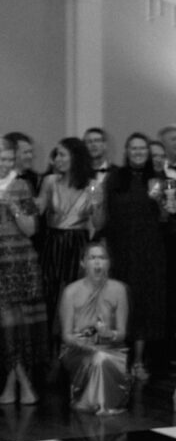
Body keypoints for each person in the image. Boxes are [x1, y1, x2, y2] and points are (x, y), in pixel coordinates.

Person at [100, 133, 166, 379]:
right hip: (121, 251)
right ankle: (118, 360)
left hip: (149, 253)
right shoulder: (115, 178)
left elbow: (166, 219)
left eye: (142, 148)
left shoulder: (157, 179)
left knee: (145, 307)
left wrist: (159, 201)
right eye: (133, 148)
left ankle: (139, 361)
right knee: (120, 303)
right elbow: (105, 216)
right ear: (126, 151)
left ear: (148, 153)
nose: (138, 152)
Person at [36, 137, 99, 344]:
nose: (57, 159)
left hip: (78, 246)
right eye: (56, 154)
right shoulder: (49, 182)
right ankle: (52, 355)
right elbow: (37, 211)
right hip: (53, 245)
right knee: (51, 297)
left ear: (76, 157)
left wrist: (97, 204)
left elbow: (98, 223)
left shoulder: (92, 186)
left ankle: (75, 351)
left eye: (62, 154)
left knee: (77, 298)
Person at [0, 137, 48, 405]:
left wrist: (15, 209)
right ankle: (18, 381)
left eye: (9, 159)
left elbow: (32, 229)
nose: (5, 164)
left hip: (20, 263)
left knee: (19, 327)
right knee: (6, 326)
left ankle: (16, 382)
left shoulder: (21, 186)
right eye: (1, 159)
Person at [59, 240, 130, 415]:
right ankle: (93, 403)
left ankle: (104, 403)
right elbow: (66, 335)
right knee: (97, 357)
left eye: (102, 258)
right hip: (77, 349)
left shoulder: (119, 289)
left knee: (102, 357)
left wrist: (108, 334)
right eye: (92, 258)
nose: (97, 263)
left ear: (109, 262)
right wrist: (82, 342)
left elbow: (122, 333)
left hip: (111, 348)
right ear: (83, 263)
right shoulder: (71, 292)